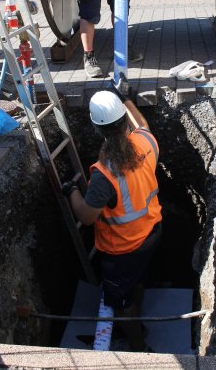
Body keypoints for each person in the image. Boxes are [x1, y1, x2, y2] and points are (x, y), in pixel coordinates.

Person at [62, 77, 162, 352]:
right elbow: (143, 126)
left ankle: (139, 346)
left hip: (123, 248)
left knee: (120, 299)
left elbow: (87, 216)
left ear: (97, 129)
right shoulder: (145, 142)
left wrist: (71, 190)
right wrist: (125, 98)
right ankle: (134, 321)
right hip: (152, 232)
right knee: (136, 281)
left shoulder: (105, 173)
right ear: (123, 120)